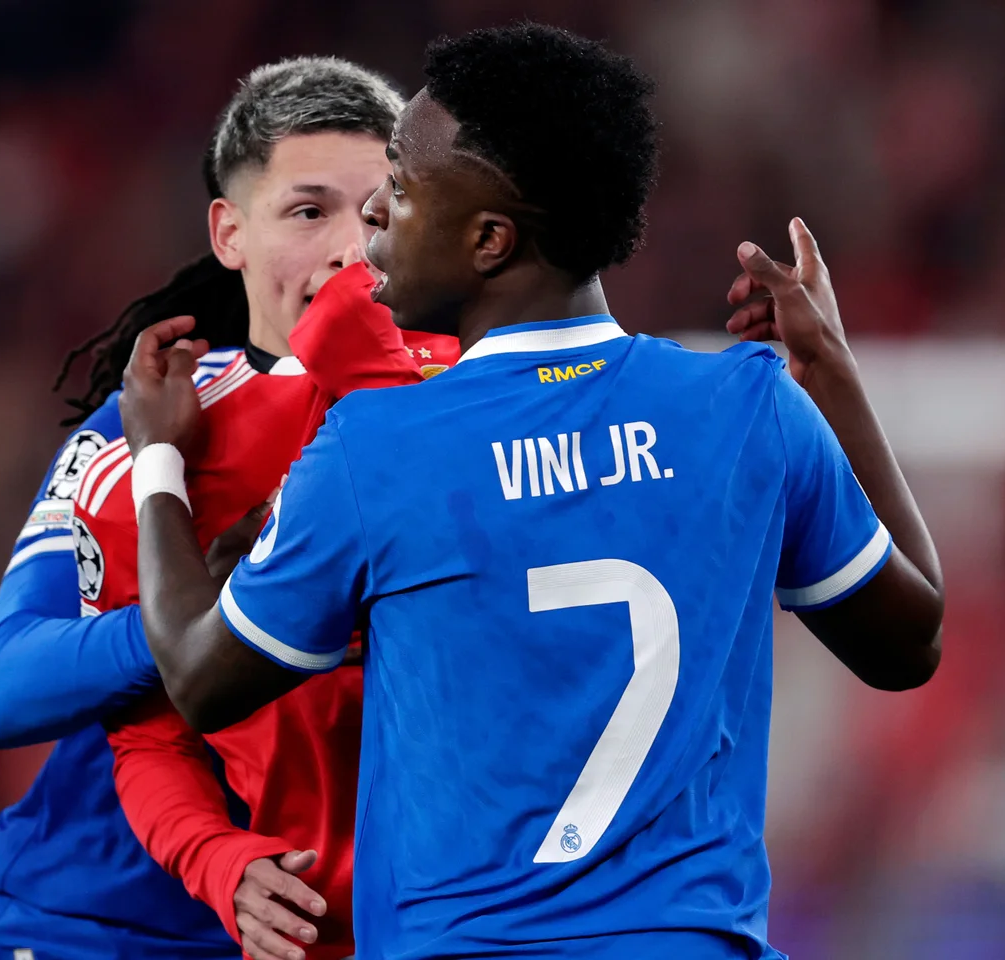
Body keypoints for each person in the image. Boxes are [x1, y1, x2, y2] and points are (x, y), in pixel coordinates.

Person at [117, 22, 945, 960]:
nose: (375, 214)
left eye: (404, 185)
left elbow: (195, 676)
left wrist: (157, 461)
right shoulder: (748, 405)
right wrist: (830, 371)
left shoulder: (379, 448)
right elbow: (910, 642)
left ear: (490, 241)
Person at [0, 56, 435, 960]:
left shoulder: (459, 408)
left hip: (328, 929)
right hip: (97, 923)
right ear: (229, 233)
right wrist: (200, 625)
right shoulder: (151, 427)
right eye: (307, 211)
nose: (346, 249)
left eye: (378, 213)